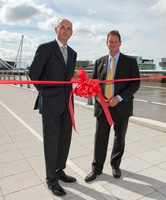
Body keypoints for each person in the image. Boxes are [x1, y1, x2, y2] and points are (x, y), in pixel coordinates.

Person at [29, 19, 77, 196]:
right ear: (56, 30)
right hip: (50, 104)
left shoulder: (73, 53)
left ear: (71, 33)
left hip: (67, 104)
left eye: (68, 29)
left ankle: (59, 171)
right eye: (62, 28)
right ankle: (51, 180)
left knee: (65, 139)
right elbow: (33, 74)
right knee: (51, 142)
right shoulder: (46, 48)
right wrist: (46, 94)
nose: (65, 31)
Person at [85, 30, 140, 182]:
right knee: (100, 138)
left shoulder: (130, 62)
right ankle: (96, 169)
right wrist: (100, 99)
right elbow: (94, 85)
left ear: (120, 43)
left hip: (121, 107)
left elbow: (135, 84)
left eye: (115, 41)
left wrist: (119, 98)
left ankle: (115, 165)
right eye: (110, 41)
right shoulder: (99, 62)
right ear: (106, 43)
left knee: (119, 138)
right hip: (103, 108)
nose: (113, 43)